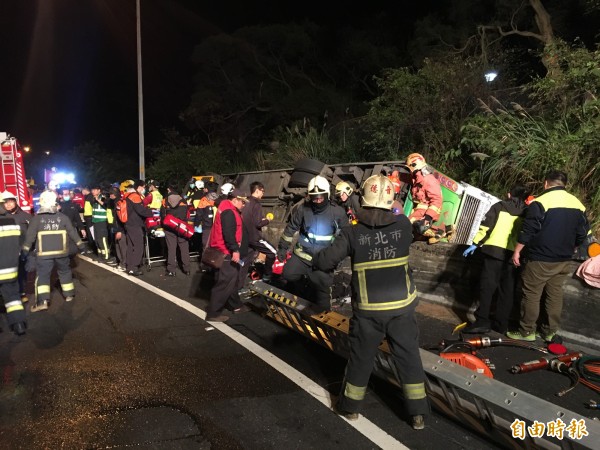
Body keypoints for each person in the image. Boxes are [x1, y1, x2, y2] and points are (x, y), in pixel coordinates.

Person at [313, 174, 429, 429]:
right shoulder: (404, 226)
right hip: (401, 309)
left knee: (361, 359)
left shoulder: (352, 233)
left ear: (362, 200)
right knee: (409, 358)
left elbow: (324, 261)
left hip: (369, 312)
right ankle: (418, 415)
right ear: (391, 200)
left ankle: (350, 408)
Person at [508, 170, 590, 342]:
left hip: (540, 258)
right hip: (564, 259)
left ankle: (526, 331)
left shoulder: (541, 202)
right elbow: (583, 234)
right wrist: (573, 246)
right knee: (555, 295)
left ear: (546, 183)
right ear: (564, 184)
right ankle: (549, 331)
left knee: (531, 293)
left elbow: (528, 230)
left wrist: (517, 251)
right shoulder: (577, 204)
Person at [462, 185, 529, 334]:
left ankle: (482, 321)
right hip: (514, 257)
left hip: (494, 252)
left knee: (487, 289)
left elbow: (485, 228)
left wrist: (475, 244)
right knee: (507, 291)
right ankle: (501, 324)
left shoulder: (499, 206)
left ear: (509, 194)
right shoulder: (528, 212)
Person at [277, 175, 347, 312]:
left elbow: (345, 238)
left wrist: (337, 258)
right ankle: (304, 294)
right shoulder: (303, 210)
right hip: (302, 257)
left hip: (323, 260)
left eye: (321, 196)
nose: (318, 200)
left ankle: (324, 318)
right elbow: (290, 229)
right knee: (288, 274)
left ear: (327, 194)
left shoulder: (337, 212)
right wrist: (282, 248)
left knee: (322, 293)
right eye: (314, 197)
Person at [22, 191, 86, 312]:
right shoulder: (63, 217)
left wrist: (25, 252)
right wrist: (81, 246)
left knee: (43, 276)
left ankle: (43, 301)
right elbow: (73, 233)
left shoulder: (36, 219)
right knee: (65, 272)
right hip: (62, 253)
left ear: (41, 202)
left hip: (44, 255)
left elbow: (29, 238)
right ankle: (69, 295)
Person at [206, 189, 251, 322]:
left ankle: (236, 305)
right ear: (235, 199)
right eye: (242, 201)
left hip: (225, 252)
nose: (244, 204)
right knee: (224, 283)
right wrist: (235, 250)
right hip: (227, 253)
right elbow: (229, 234)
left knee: (231, 280)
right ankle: (213, 313)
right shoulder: (229, 212)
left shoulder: (227, 209)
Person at [404, 153, 447, 244]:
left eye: (410, 168)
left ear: (415, 166)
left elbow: (437, 200)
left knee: (413, 225)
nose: (410, 171)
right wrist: (395, 174)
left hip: (429, 210)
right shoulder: (417, 178)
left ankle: (441, 231)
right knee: (412, 227)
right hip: (420, 209)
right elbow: (409, 178)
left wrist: (428, 217)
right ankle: (441, 231)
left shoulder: (429, 179)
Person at [0, 195, 27, 335]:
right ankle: (19, 325)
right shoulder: (12, 221)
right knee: (12, 298)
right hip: (10, 268)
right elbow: (22, 241)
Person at [242, 181, 277, 282]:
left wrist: (262, 218)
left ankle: (240, 280)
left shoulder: (246, 201)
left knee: (246, 258)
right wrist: (267, 220)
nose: (263, 193)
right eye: (262, 191)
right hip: (255, 237)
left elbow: (251, 218)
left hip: (245, 237)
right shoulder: (257, 204)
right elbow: (258, 223)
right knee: (272, 252)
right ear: (257, 191)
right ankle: (267, 276)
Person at [1, 190, 32, 303]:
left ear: (15, 202)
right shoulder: (2, 217)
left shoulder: (26, 216)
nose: (8, 204)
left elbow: (33, 233)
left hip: (22, 250)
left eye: (11, 202)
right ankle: (9, 295)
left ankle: (22, 293)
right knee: (8, 275)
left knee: (22, 273)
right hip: (6, 251)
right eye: (5, 202)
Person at [125, 181, 153, 276]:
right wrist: (152, 212)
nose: (144, 189)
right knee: (138, 246)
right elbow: (141, 210)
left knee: (130, 246)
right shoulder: (135, 196)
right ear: (139, 187)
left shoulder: (127, 195)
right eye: (143, 187)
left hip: (128, 223)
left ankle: (129, 266)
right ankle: (134, 267)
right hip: (135, 224)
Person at [163, 185, 191, 276]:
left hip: (170, 227)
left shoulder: (165, 200)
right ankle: (187, 269)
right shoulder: (183, 200)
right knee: (184, 247)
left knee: (171, 248)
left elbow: (162, 215)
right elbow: (187, 215)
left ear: (169, 189)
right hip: (182, 226)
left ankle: (171, 270)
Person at [84, 185, 114, 262]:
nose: (93, 191)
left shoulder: (102, 196)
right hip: (95, 221)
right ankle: (100, 255)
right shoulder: (93, 198)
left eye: (94, 190)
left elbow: (106, 205)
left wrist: (98, 200)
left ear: (99, 190)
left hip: (102, 221)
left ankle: (106, 256)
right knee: (97, 239)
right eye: (92, 190)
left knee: (102, 239)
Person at [58, 188, 87, 256]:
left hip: (72, 229)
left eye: (68, 194)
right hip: (61, 231)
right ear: (60, 195)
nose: (68, 195)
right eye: (65, 194)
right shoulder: (56, 206)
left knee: (73, 250)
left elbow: (77, 218)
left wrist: (82, 228)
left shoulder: (73, 205)